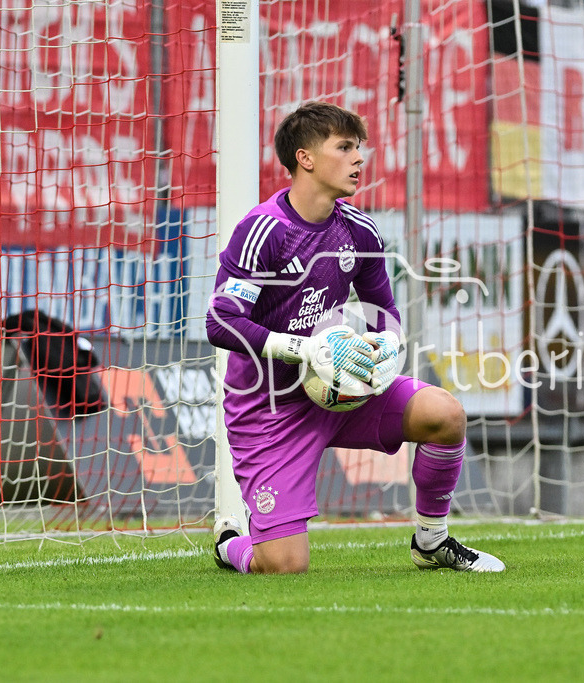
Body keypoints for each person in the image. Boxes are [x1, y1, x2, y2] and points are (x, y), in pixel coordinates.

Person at [205, 101, 505, 574]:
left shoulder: (359, 230)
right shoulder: (263, 231)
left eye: (359, 147)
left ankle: (432, 542)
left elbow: (385, 312)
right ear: (304, 158)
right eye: (344, 147)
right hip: (270, 408)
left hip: (344, 386)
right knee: (283, 567)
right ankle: (231, 546)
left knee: (444, 414)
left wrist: (384, 350)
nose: (359, 158)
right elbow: (220, 321)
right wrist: (304, 349)